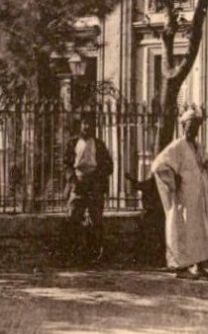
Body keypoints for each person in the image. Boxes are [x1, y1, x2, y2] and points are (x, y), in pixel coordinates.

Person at [151, 106, 208, 279]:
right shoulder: (177, 146)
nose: (194, 129)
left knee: (201, 231)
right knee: (183, 230)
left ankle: (199, 266)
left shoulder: (198, 147)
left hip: (200, 198)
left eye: (196, 126)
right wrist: (174, 180)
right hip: (185, 198)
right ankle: (181, 268)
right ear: (183, 126)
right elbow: (158, 165)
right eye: (190, 125)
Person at [65, 113, 114, 265]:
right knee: (73, 216)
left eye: (90, 124)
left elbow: (108, 166)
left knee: (96, 219)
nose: (87, 127)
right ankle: (73, 254)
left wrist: (97, 178)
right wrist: (73, 180)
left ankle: (95, 255)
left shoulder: (99, 144)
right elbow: (66, 164)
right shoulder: (73, 143)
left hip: (94, 185)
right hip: (78, 184)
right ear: (80, 125)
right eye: (84, 124)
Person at [125, 171, 166, 265]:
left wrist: (130, 178)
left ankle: (143, 258)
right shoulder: (162, 183)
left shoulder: (152, 182)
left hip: (151, 213)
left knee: (145, 236)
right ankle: (159, 258)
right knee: (160, 236)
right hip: (161, 213)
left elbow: (139, 185)